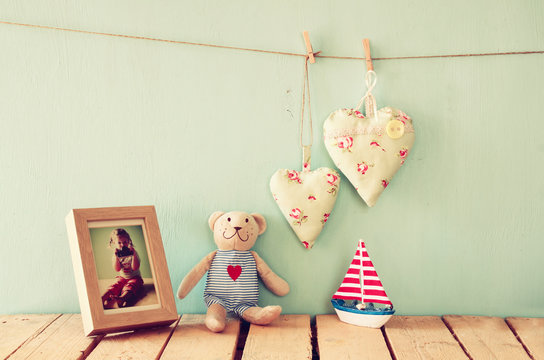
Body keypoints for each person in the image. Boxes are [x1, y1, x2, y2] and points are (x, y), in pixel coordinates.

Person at [101, 228, 144, 309]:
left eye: (125, 242)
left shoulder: (133, 253)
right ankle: (103, 297)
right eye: (119, 243)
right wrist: (116, 257)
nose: (122, 245)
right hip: (122, 278)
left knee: (131, 286)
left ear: (128, 241)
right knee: (115, 285)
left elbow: (135, 267)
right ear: (114, 243)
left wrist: (134, 254)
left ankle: (122, 298)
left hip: (134, 278)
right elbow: (117, 269)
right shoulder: (116, 255)